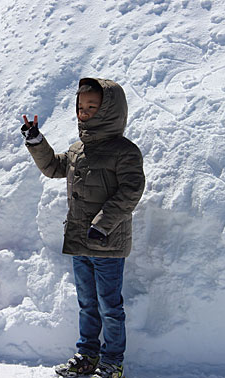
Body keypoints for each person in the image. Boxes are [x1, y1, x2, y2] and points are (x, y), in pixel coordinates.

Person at [21, 78, 145, 378]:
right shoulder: (78, 151)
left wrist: (102, 225)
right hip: (80, 242)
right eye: (80, 106)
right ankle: (87, 355)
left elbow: (131, 190)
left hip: (108, 244)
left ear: (110, 110)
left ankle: (113, 362)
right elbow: (53, 167)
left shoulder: (125, 151)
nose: (84, 112)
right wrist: (36, 141)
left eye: (92, 106)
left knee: (109, 307)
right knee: (87, 304)